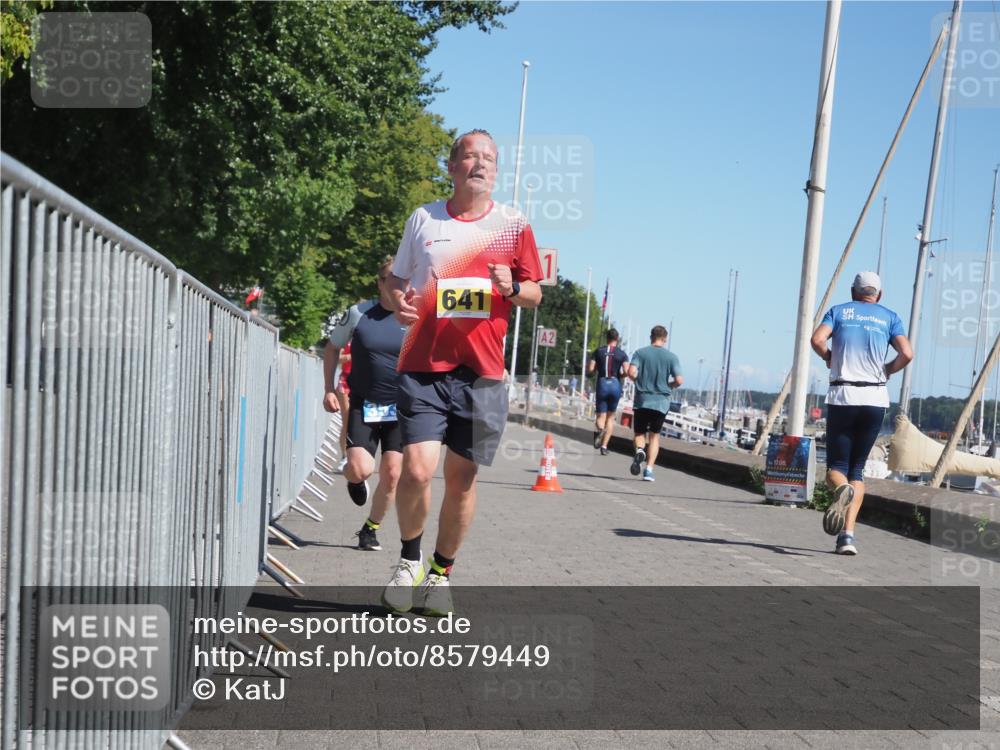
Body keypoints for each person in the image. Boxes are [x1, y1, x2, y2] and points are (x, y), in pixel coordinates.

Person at [383, 129, 543, 615]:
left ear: (496, 170)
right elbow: (392, 280)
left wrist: (512, 286)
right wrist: (396, 303)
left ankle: (439, 574)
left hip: (482, 372)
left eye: (489, 158)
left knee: (463, 479)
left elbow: (535, 293)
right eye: (470, 156)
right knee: (416, 469)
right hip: (424, 364)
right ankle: (409, 560)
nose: (480, 164)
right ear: (451, 166)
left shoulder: (514, 224)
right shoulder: (424, 219)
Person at [810, 271, 912, 555]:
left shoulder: (839, 311)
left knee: (836, 469)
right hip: (875, 398)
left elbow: (817, 339)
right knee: (857, 469)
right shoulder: (889, 317)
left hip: (844, 396)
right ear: (878, 295)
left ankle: (842, 491)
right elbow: (907, 353)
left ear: (853, 292)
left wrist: (829, 357)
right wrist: (888, 369)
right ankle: (847, 537)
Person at [323, 259, 407, 551]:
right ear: (380, 282)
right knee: (361, 470)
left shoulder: (414, 315)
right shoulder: (359, 313)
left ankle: (370, 529)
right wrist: (329, 389)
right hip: (364, 404)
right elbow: (332, 347)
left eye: (404, 279)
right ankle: (354, 479)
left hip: (401, 409)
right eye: (390, 279)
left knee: (393, 473)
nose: (398, 285)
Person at [627, 326, 683, 481]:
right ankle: (649, 470)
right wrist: (669, 386)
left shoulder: (640, 353)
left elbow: (631, 372)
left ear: (651, 336)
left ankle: (639, 450)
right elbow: (679, 380)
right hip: (661, 402)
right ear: (665, 339)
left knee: (639, 433)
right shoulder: (671, 357)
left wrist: (637, 381)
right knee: (654, 436)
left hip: (643, 400)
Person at [587, 329, 629, 456]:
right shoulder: (622, 354)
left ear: (607, 338)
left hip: (602, 383)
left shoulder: (598, 351)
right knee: (611, 418)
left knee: (601, 417)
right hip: (615, 384)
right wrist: (620, 375)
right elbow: (627, 371)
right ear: (617, 339)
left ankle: (600, 430)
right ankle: (604, 446)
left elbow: (590, 369)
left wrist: (594, 371)